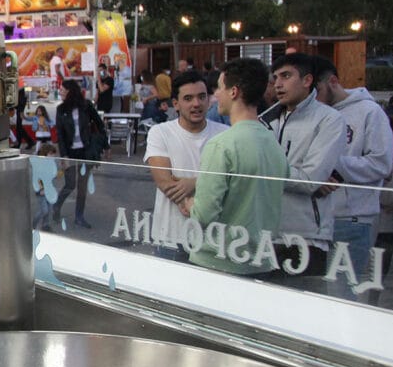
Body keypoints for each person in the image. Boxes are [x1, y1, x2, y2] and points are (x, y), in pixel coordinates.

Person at [185, 59, 290, 276]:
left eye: (220, 87)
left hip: (217, 259)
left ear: (234, 92)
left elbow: (204, 214)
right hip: (260, 259)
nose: (216, 95)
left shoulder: (222, 145)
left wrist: (191, 204)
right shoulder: (273, 144)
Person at [310, 57, 393, 296]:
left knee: (343, 294)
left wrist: (330, 163)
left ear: (333, 82)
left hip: (354, 217)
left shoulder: (370, 112)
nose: (313, 97)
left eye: (316, 90)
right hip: (317, 219)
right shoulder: (316, 114)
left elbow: (382, 164)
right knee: (319, 295)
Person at [268, 52, 348, 285]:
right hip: (266, 233)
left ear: (307, 80)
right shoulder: (268, 119)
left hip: (307, 236)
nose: (279, 84)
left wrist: (262, 172)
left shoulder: (329, 120)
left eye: (286, 76)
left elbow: (309, 179)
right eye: (275, 78)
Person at [144, 70, 227, 261]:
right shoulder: (160, 132)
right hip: (171, 237)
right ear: (176, 104)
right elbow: (166, 183)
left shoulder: (225, 134)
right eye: (188, 98)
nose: (196, 104)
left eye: (201, 97)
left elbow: (232, 181)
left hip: (214, 238)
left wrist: (193, 183)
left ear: (209, 100)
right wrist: (211, 180)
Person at [53, 78, 105, 228]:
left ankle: (79, 216)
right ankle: (57, 207)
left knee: (82, 186)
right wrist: (64, 156)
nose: (60, 92)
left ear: (70, 91)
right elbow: (60, 135)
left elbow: (99, 123)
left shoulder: (86, 106)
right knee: (70, 184)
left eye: (62, 90)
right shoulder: (61, 109)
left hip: (85, 151)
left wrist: (100, 141)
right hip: (70, 152)